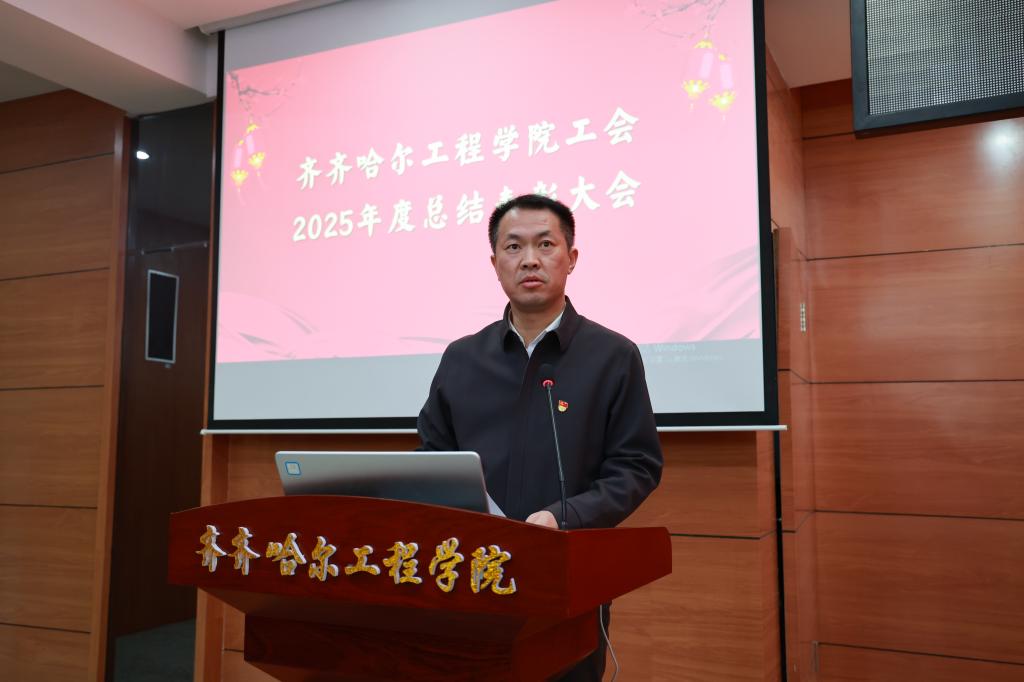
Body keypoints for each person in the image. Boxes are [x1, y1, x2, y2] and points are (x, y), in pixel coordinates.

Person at [417, 193, 663, 680]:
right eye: (513, 247)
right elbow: (431, 459)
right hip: (469, 576)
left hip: (566, 579)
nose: (529, 259)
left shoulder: (613, 356)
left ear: (571, 258)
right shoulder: (461, 358)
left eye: (545, 244)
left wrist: (562, 517)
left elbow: (636, 466)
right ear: (495, 264)